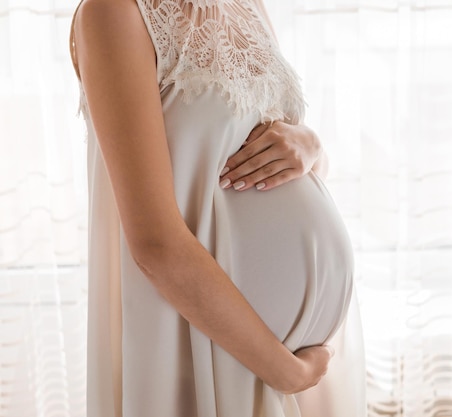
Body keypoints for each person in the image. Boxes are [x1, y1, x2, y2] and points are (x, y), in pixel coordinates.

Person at [69, 0, 366, 416]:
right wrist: (285, 371)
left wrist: (311, 146)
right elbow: (156, 245)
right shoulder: (115, 12)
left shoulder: (248, 5)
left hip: (301, 367)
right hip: (210, 350)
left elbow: (289, 166)